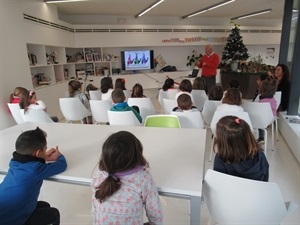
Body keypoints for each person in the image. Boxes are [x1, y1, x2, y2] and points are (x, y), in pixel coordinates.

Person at [91, 131, 163, 225]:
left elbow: (94, 211)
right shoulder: (143, 178)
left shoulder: (99, 175)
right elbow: (155, 212)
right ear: (136, 155)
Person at [0, 127, 67, 224]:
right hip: (14, 221)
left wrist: (42, 157)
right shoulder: (35, 170)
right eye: (45, 149)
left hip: (5, 210)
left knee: (45, 205)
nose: (46, 150)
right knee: (53, 213)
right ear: (38, 153)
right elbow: (61, 165)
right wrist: (59, 156)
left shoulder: (14, 163)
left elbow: (32, 164)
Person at [213, 116, 269, 181]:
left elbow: (217, 183)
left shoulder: (221, 159)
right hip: (256, 190)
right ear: (248, 136)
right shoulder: (260, 156)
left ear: (223, 142)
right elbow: (265, 181)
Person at [257, 76, 278, 145]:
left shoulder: (262, 101)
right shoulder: (273, 100)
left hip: (262, 120)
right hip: (271, 119)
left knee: (259, 120)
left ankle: (261, 137)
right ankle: (261, 137)